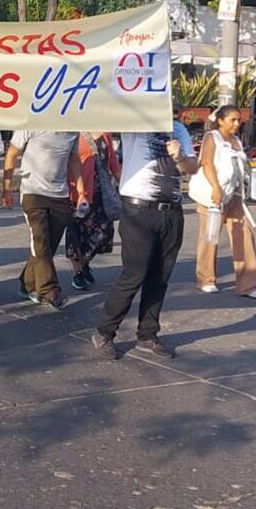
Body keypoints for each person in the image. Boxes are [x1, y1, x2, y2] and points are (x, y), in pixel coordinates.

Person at [92, 117, 198, 361]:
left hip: (171, 211)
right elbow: (108, 113)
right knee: (133, 275)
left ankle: (147, 335)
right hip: (139, 211)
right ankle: (105, 332)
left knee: (160, 277)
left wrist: (180, 156)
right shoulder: (135, 127)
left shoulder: (178, 129)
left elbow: (192, 167)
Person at [2, 130, 88, 310]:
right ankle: (49, 290)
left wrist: (81, 192)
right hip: (33, 193)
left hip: (59, 194)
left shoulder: (72, 130)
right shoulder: (32, 124)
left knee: (48, 245)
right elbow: (12, 152)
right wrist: (7, 188)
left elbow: (73, 160)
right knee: (40, 240)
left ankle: (28, 282)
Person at [193, 105, 256, 299]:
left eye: (238, 120)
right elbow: (206, 162)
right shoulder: (212, 137)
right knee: (210, 236)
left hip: (235, 196)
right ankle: (206, 278)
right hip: (213, 195)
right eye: (232, 120)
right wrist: (215, 187)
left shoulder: (237, 141)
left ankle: (247, 284)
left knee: (245, 237)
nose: (236, 124)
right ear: (220, 120)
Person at [66, 131, 120, 292]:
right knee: (76, 232)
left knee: (103, 231)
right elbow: (68, 161)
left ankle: (85, 262)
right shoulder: (74, 133)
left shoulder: (105, 134)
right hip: (78, 192)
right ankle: (78, 272)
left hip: (101, 192)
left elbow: (113, 163)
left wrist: (122, 182)